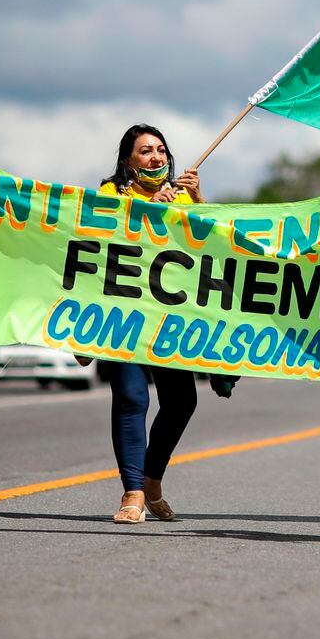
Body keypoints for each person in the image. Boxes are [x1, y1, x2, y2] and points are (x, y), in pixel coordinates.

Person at [95, 124, 211, 523]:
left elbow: (213, 249)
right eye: (145, 151)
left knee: (182, 401)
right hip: (123, 315)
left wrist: (199, 200)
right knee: (132, 398)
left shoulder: (183, 199)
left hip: (170, 318)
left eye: (161, 150)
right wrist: (148, 212)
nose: (156, 158)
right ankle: (132, 493)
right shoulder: (110, 194)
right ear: (128, 160)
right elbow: (102, 240)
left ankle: (151, 479)